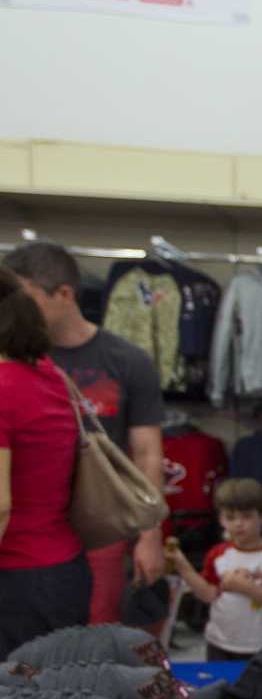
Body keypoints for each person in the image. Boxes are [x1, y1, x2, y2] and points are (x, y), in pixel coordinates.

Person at [1, 242, 166, 623]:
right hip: (34, 535)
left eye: (24, 298)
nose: (15, 310)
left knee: (93, 638)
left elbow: (148, 454)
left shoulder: (126, 360)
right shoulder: (27, 367)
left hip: (98, 521)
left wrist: (150, 533)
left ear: (64, 294)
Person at [0, 266, 88, 657]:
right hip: (63, 567)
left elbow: (0, 505)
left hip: (16, 577)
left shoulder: (2, 387)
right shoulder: (51, 376)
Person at [164, 477, 262, 662]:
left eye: (246, 516)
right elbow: (208, 594)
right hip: (219, 642)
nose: (239, 524)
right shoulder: (217, 555)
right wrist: (182, 566)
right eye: (231, 517)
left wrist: (245, 588)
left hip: (259, 644)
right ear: (221, 519)